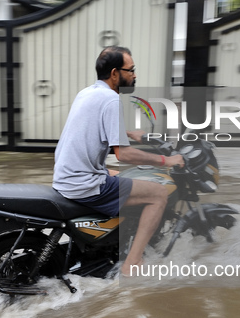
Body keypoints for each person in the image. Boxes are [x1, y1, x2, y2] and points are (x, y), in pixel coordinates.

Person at [53, 46, 184, 276]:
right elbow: (124, 155)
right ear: (115, 73)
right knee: (158, 194)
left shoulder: (87, 93)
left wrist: (129, 133)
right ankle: (132, 262)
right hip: (84, 184)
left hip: (68, 176)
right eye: (130, 70)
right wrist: (167, 160)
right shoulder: (111, 100)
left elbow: (95, 129)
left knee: (119, 174)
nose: (134, 75)